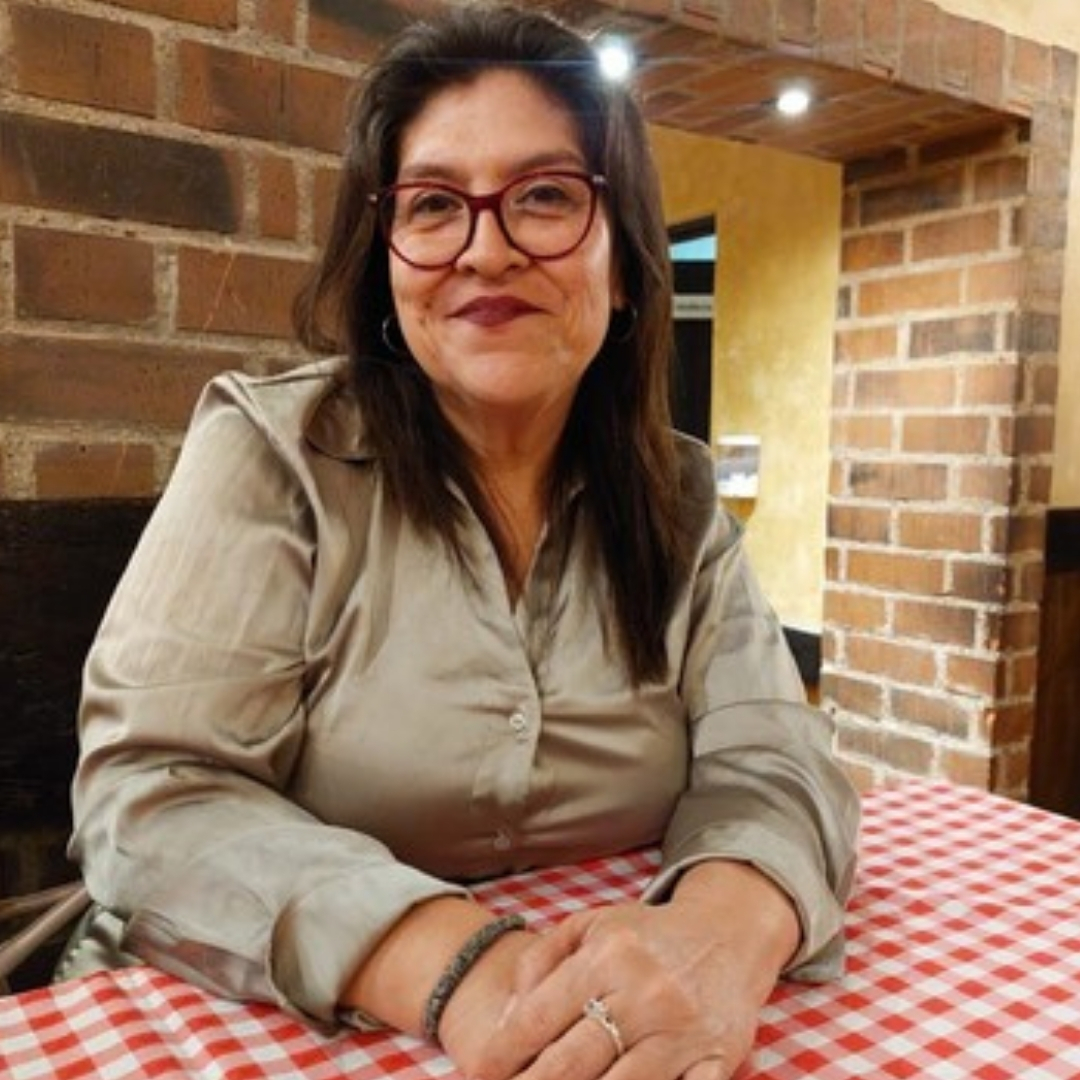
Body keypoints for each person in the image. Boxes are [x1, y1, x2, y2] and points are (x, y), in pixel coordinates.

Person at [67, 5, 860, 1079]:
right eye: (435, 205)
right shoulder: (274, 454)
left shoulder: (676, 497)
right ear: (386, 263)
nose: (486, 250)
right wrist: (468, 970)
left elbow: (773, 756)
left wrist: (720, 934)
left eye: (546, 195)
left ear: (626, 263)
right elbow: (151, 794)